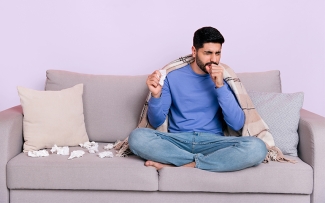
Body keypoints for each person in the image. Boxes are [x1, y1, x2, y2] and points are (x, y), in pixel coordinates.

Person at [128, 26, 267, 172]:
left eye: (217, 53)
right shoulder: (172, 76)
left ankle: (182, 165)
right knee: (137, 137)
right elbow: (156, 122)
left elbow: (237, 124)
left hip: (213, 142)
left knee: (257, 147)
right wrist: (156, 96)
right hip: (178, 141)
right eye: (208, 53)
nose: (213, 59)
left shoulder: (225, 78)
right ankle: (206, 163)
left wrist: (220, 86)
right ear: (194, 51)